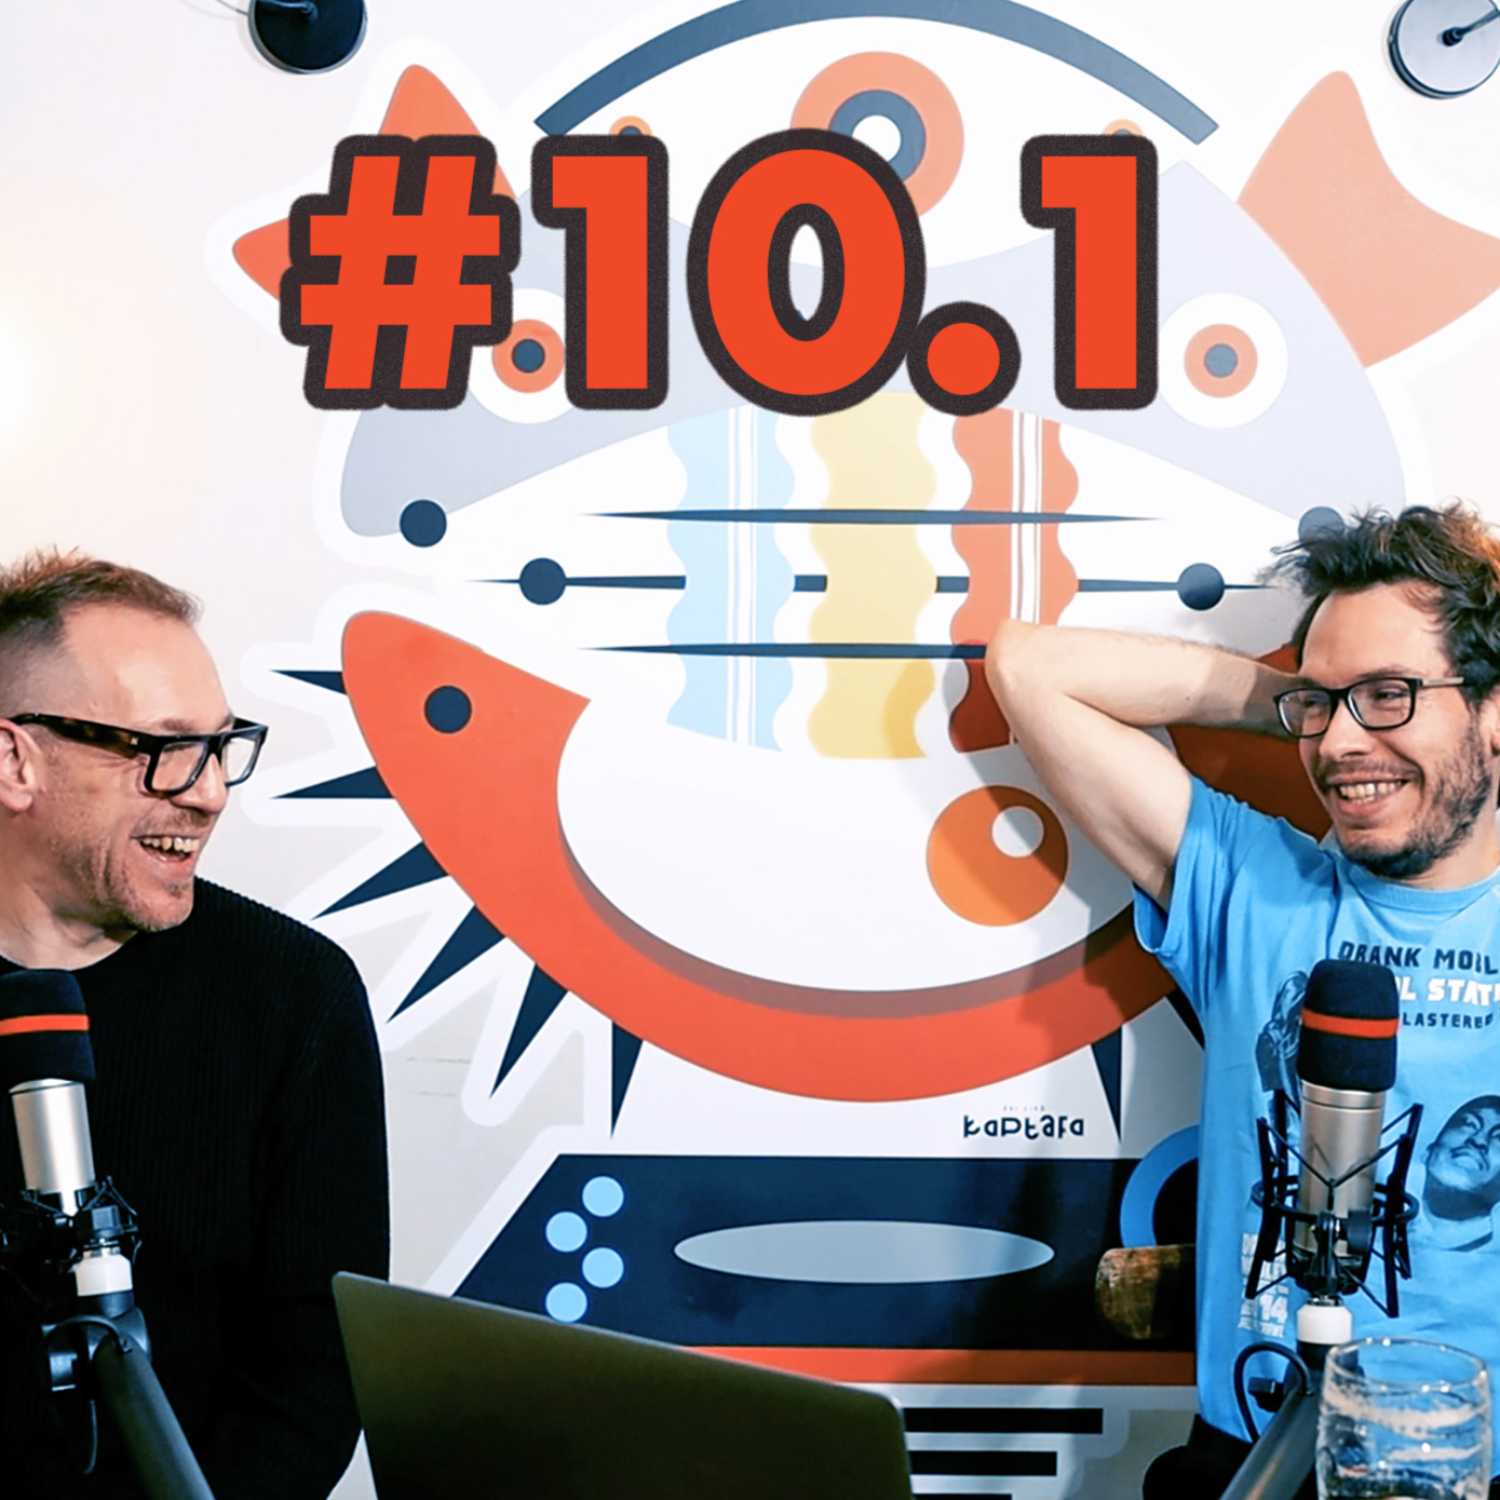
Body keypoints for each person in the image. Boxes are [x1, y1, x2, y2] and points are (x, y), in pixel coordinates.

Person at [985, 502, 1500, 1499]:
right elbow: (1030, 667)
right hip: (1251, 1459)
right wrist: (1294, 701)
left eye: (1389, 694)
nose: (1340, 744)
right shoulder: (1254, 889)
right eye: (1323, 705)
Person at [0, 551, 390, 1499]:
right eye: (162, 749)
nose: (209, 792)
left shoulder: (295, 994)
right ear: (16, 761)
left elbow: (313, 1378)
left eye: (220, 748)